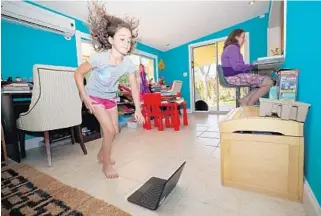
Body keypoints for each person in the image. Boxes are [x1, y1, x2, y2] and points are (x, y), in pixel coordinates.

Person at [74, 2, 144, 179]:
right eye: (122, 39)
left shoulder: (128, 63)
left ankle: (100, 154)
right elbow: (78, 73)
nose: (127, 43)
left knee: (115, 131)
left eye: (129, 40)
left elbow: (134, 88)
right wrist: (85, 98)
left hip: (110, 99)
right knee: (109, 131)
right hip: (94, 97)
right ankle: (106, 164)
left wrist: (139, 110)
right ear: (111, 40)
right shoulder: (99, 58)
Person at [221, 29, 273, 106]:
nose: (244, 40)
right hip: (234, 77)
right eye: (243, 37)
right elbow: (237, 67)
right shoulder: (233, 48)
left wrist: (251, 67)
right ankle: (250, 103)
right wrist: (252, 66)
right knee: (269, 82)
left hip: (233, 76)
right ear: (236, 37)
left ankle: (245, 100)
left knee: (261, 83)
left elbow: (237, 66)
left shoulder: (231, 48)